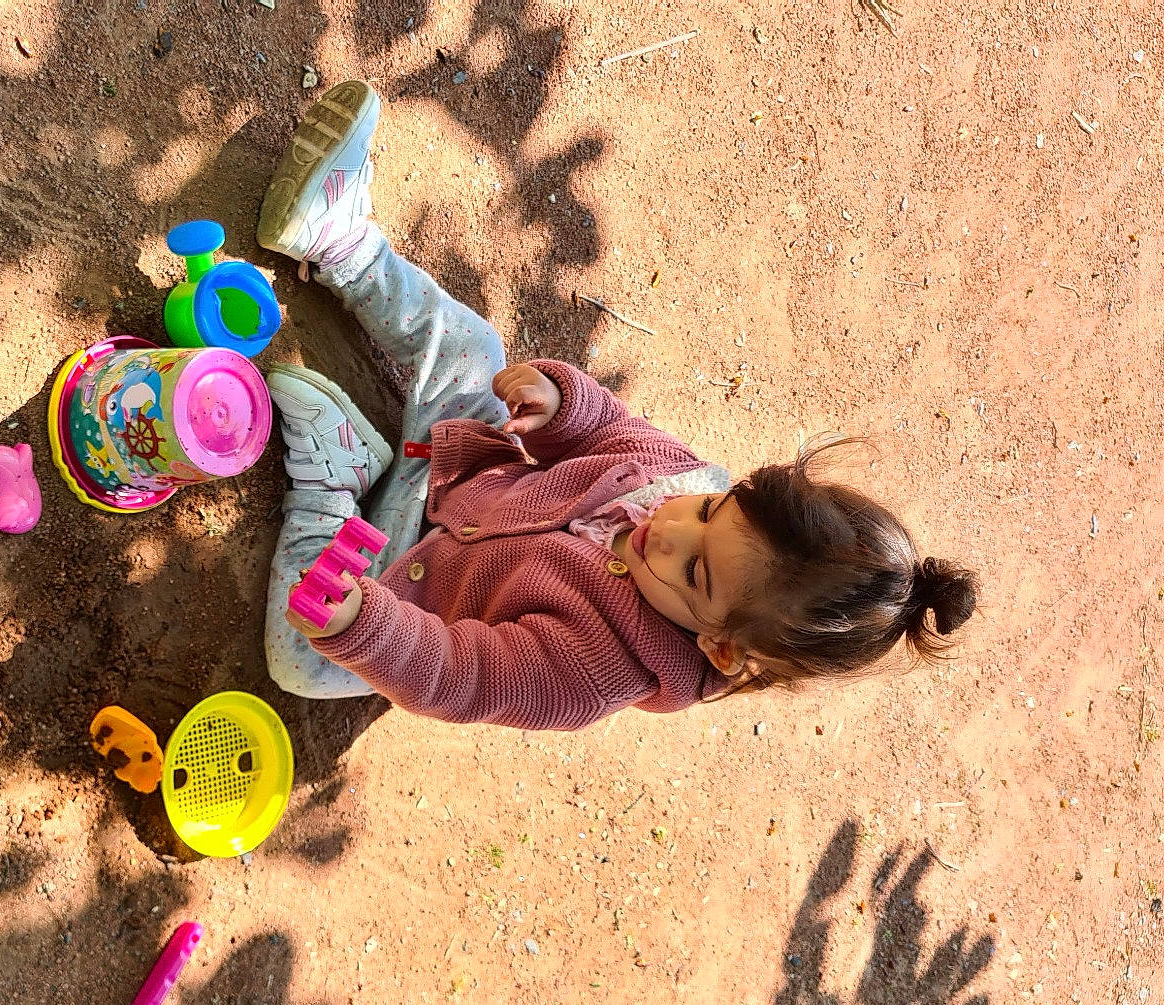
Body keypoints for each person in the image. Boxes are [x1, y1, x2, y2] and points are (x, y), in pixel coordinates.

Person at [256, 80, 978, 730]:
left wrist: (367, 625)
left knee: (308, 660)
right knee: (474, 349)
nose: (668, 529)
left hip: (409, 595)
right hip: (467, 474)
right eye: (707, 514)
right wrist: (562, 406)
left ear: (720, 647)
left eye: (695, 571)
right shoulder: (678, 486)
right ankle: (340, 241)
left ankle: (333, 485)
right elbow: (613, 430)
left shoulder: (595, 671)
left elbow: (466, 675)